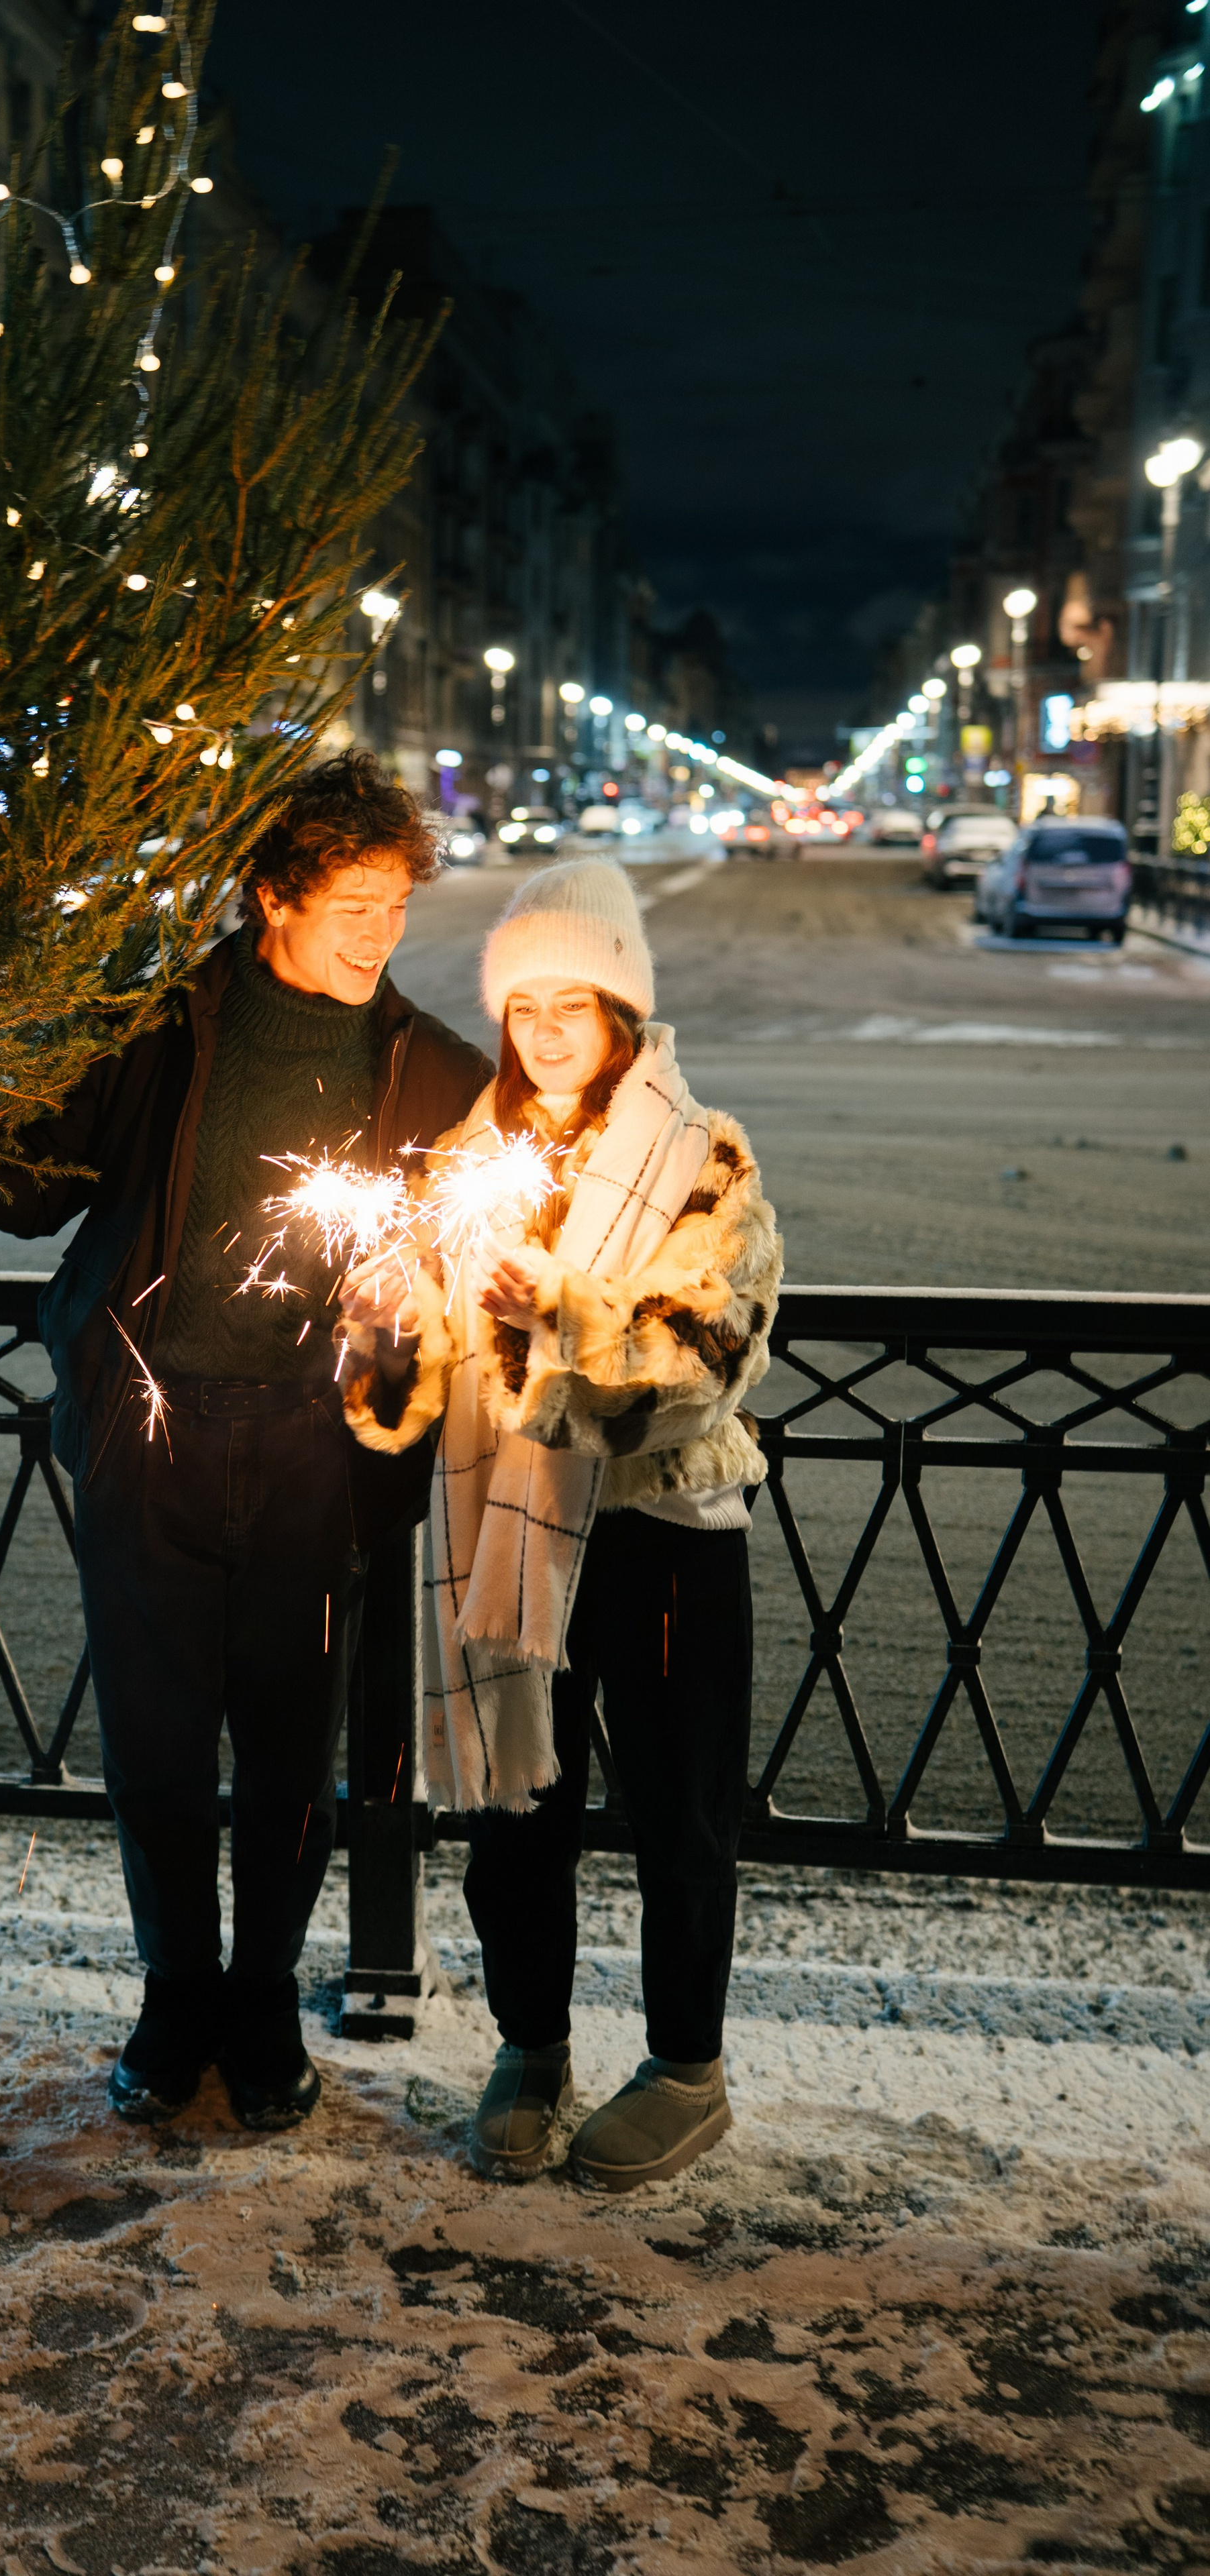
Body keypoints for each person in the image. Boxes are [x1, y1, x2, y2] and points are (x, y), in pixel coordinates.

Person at [0, 753, 489, 2129]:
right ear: (272, 891)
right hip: (142, 1434)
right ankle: (172, 1994)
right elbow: (39, 1183)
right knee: (154, 1742)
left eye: (395, 904)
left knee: (286, 1752)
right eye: (352, 901)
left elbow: (491, 1249)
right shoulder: (159, 1026)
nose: (379, 933)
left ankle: (263, 1999)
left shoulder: (434, 1073)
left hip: (314, 1451)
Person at [338, 860, 781, 2190]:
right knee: (514, 1813)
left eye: (568, 1001)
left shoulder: (703, 1157)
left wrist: (560, 1322)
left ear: (619, 1009)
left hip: (662, 1535)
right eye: (519, 1001)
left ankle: (685, 2071)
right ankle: (528, 2050)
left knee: (678, 1819)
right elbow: (411, 1384)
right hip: (509, 1531)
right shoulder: (468, 1163)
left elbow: (704, 1358)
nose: (538, 1028)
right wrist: (383, 1335)